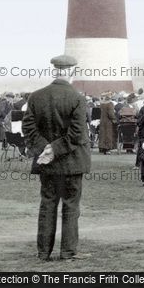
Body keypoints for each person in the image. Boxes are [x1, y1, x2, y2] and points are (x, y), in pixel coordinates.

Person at [22, 55, 90, 261]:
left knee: (47, 205)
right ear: (72, 72)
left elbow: (28, 128)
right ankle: (68, 251)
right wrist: (54, 149)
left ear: (54, 70)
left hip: (47, 164)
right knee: (70, 207)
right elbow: (77, 134)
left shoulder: (35, 97)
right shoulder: (77, 98)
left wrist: (46, 149)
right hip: (71, 163)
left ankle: (43, 251)